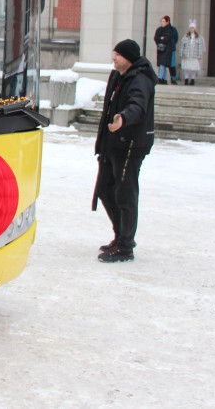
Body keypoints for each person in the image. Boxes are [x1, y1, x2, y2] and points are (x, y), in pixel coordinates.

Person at [92, 39, 156, 263]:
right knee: (104, 189)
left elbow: (138, 105)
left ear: (128, 57)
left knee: (125, 193)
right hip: (113, 141)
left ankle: (126, 246)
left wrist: (124, 117)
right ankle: (120, 236)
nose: (113, 57)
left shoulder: (140, 78)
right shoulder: (119, 76)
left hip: (130, 143)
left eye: (117, 54)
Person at [178, 21, 205, 86]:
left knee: (193, 68)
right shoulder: (186, 36)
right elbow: (182, 45)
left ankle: (192, 79)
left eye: (193, 28)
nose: (191, 29)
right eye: (190, 28)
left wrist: (199, 55)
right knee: (186, 67)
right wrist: (181, 53)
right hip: (187, 54)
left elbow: (200, 47)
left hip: (194, 55)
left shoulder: (198, 37)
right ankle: (186, 79)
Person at [153, 15, 177, 85]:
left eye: (163, 21)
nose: (162, 23)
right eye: (161, 21)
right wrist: (161, 39)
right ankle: (164, 79)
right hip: (160, 49)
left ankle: (161, 78)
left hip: (168, 49)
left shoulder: (171, 29)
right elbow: (156, 38)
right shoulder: (159, 29)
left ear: (167, 22)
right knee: (162, 63)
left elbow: (169, 38)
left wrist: (162, 39)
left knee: (164, 64)